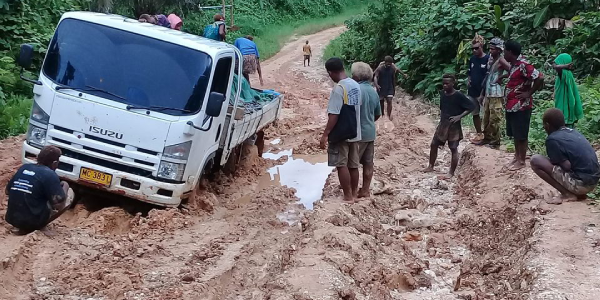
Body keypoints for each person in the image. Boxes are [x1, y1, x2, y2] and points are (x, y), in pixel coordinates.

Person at [530, 108, 599, 205]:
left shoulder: (552, 139)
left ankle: (567, 194)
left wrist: (554, 160)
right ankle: (578, 193)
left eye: (544, 125)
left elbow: (567, 166)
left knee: (535, 160)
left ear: (547, 125)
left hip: (581, 184)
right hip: (593, 182)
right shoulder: (573, 132)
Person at [5, 146, 74, 234]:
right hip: (33, 223)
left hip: (12, 219)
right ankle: (40, 225)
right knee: (69, 193)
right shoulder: (50, 174)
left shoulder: (24, 167)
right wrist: (66, 185)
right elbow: (59, 204)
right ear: (54, 163)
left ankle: (19, 224)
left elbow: (7, 191)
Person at [320, 57, 362, 202]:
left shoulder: (338, 89)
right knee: (353, 164)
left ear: (331, 73)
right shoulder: (356, 85)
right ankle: (355, 194)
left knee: (341, 164)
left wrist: (325, 135)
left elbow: (334, 115)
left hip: (341, 133)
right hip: (355, 131)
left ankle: (348, 196)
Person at [504, 40, 544, 171]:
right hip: (511, 106)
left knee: (521, 134)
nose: (503, 53)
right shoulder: (513, 65)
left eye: (505, 50)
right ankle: (517, 157)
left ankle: (521, 160)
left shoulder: (523, 65)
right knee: (515, 133)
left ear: (510, 52)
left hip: (521, 106)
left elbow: (539, 77)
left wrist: (529, 93)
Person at [425, 74, 475, 178]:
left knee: (453, 148)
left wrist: (459, 116)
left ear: (453, 83)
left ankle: (451, 173)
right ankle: (430, 166)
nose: (445, 85)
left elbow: (471, 106)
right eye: (443, 83)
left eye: (447, 83)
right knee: (434, 144)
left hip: (454, 126)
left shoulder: (458, 95)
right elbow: (442, 107)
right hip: (443, 124)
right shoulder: (442, 93)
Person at [351, 62, 382, 198]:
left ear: (357, 77)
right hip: (370, 132)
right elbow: (377, 114)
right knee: (368, 162)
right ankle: (365, 190)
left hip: (357, 133)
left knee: (353, 164)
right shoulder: (373, 91)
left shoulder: (355, 90)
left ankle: (352, 191)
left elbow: (348, 112)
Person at [474, 37, 510, 148]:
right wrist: (482, 94)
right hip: (489, 93)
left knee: (495, 118)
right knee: (486, 118)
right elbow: (487, 77)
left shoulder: (501, 60)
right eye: (490, 49)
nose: (490, 51)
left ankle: (495, 141)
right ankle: (487, 138)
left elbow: (512, 70)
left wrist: (502, 77)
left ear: (499, 50)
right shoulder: (490, 59)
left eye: (493, 49)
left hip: (496, 93)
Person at [467, 34, 490, 142]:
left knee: (486, 114)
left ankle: (488, 135)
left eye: (477, 48)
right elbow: (469, 72)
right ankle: (479, 133)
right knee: (475, 113)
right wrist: (469, 80)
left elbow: (488, 76)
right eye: (473, 49)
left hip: (484, 92)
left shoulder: (488, 59)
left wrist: (483, 93)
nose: (474, 50)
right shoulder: (472, 59)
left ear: (482, 46)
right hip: (472, 91)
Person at [553, 53, 583, 128]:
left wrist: (565, 66)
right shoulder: (569, 74)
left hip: (563, 109)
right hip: (569, 107)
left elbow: (556, 67)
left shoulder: (563, 74)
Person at [374, 56, 407, 121]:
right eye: (388, 63)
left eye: (390, 63)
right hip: (381, 87)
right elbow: (375, 76)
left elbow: (398, 70)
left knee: (389, 100)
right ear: (385, 62)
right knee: (381, 102)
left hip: (390, 87)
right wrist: (376, 85)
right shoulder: (380, 68)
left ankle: (389, 116)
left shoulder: (392, 67)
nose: (389, 65)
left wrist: (404, 74)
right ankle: (382, 114)